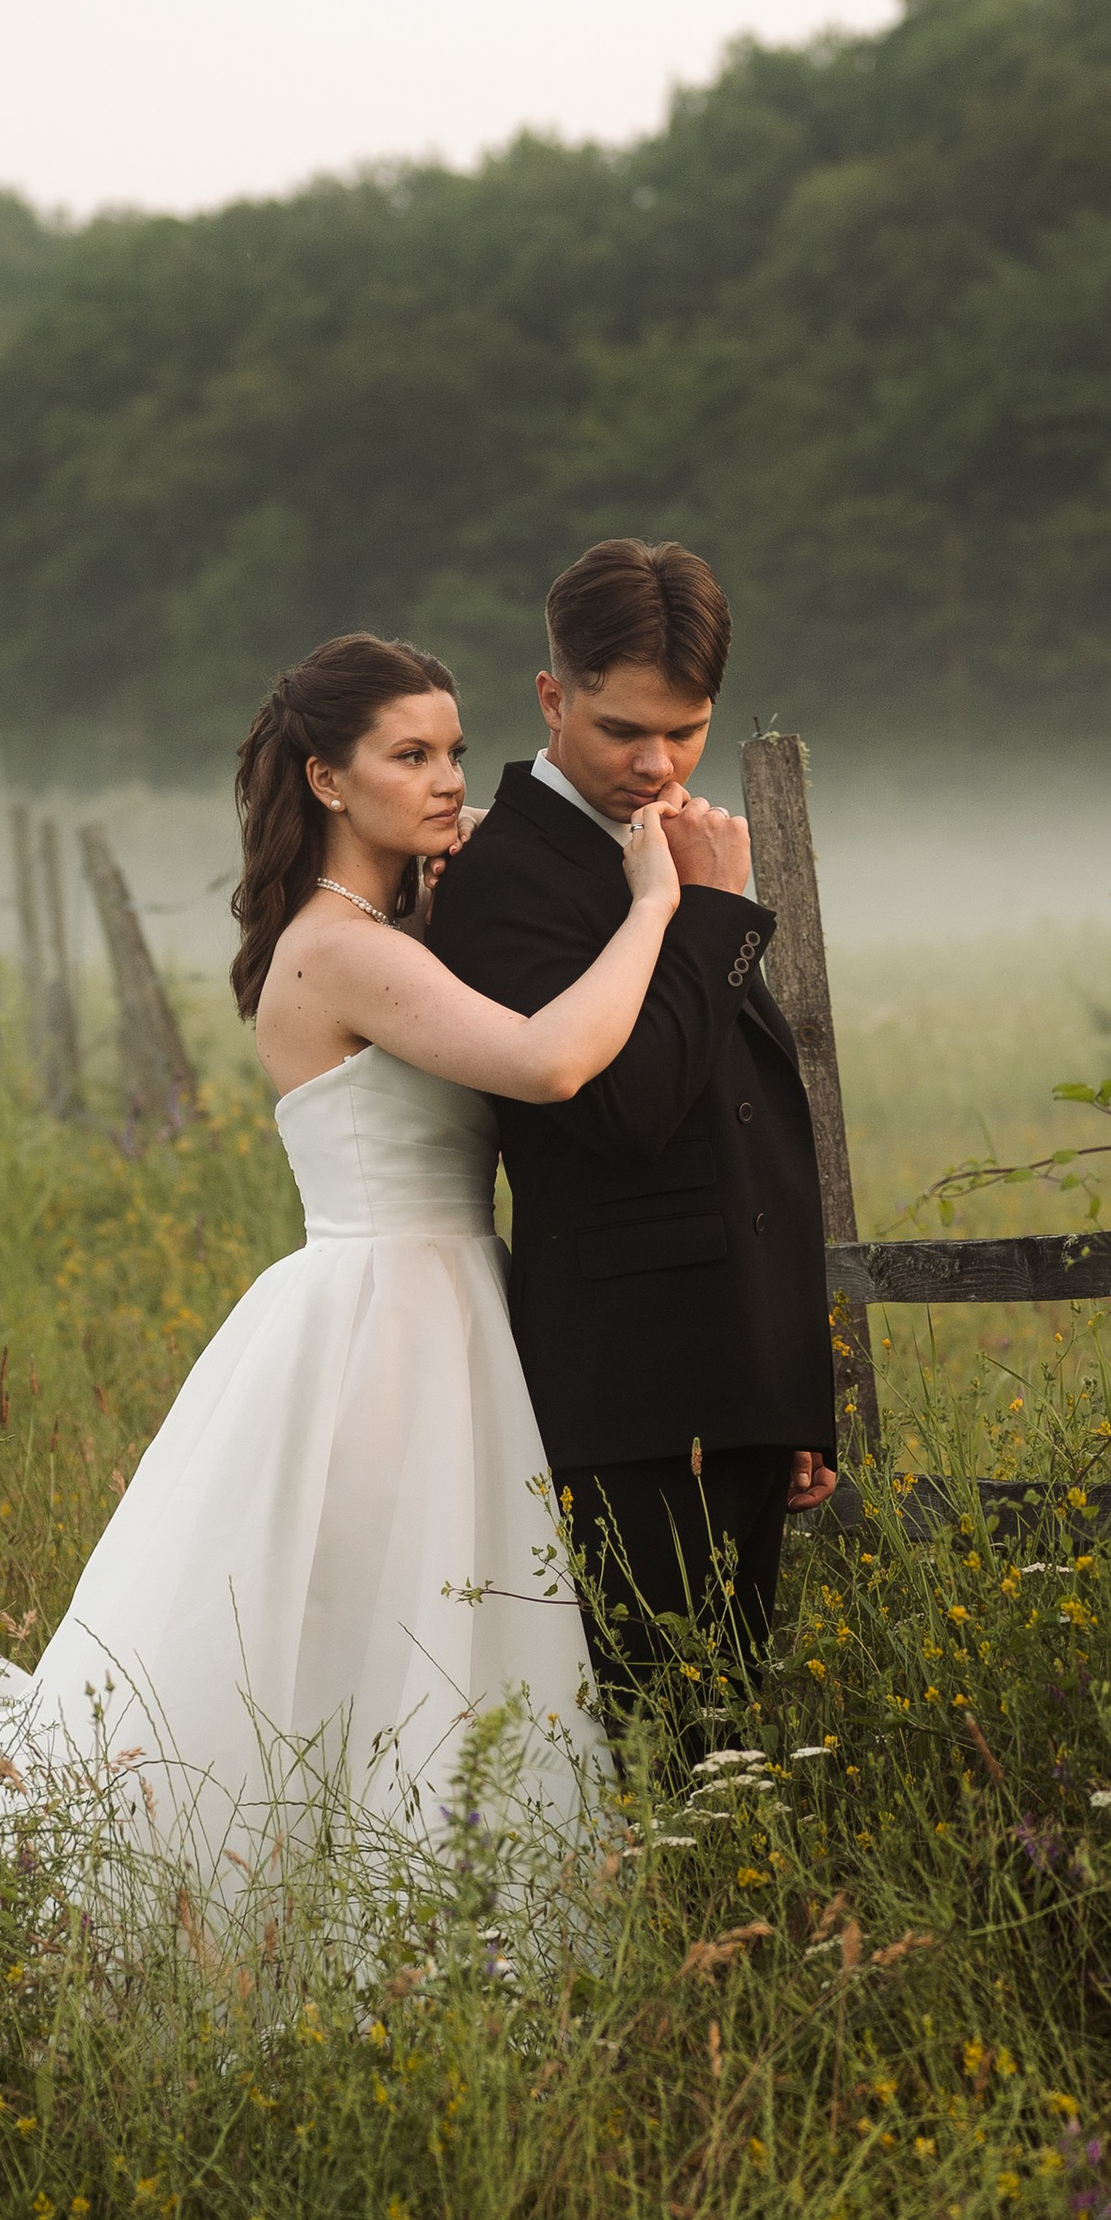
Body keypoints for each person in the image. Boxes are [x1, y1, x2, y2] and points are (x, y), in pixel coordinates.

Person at [0, 632, 685, 1884]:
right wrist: (662, 898)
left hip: (448, 1299)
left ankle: (409, 1876)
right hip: (382, 1314)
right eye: (410, 754)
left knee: (413, 1619)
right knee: (363, 1612)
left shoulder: (402, 921)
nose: (449, 777)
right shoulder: (339, 947)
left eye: (453, 749)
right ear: (327, 780)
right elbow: (554, 1062)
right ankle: (343, 1887)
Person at [427, 537, 838, 1702]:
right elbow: (622, 1112)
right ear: (552, 697)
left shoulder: (668, 843)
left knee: (723, 1724)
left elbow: (747, 1129)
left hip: (733, 1376)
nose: (658, 764)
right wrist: (706, 912)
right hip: (630, 1391)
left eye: (688, 728)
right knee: (657, 1732)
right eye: (621, 730)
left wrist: (787, 1385)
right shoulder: (504, 876)